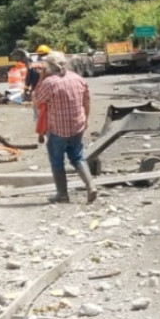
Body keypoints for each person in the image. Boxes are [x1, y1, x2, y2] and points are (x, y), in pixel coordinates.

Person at [31, 51, 98, 204]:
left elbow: (36, 99)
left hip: (57, 130)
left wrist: (41, 79)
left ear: (49, 67)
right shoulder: (78, 79)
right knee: (78, 156)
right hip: (77, 126)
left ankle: (62, 194)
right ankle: (91, 186)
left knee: (57, 161)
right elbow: (86, 102)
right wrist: (85, 120)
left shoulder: (50, 83)